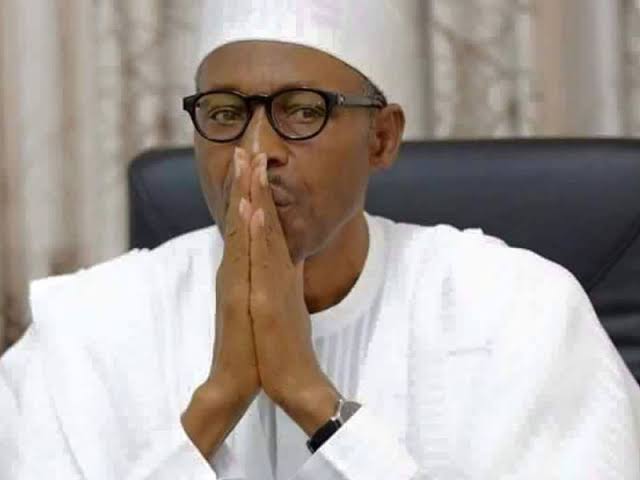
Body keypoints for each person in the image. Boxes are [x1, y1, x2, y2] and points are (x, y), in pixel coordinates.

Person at [1, 1, 639, 479]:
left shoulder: (516, 311)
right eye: (224, 113)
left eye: (302, 110)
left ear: (381, 139)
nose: (256, 151)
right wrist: (218, 400)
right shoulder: (85, 331)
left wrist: (311, 397)